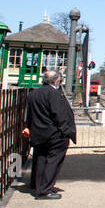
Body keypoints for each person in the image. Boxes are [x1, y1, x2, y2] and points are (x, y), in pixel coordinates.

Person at [21, 69, 77, 199]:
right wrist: (67, 131)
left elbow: (29, 114)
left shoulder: (34, 94)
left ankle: (37, 184)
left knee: (40, 159)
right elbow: (60, 115)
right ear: (57, 80)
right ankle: (45, 190)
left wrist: (29, 127)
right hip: (54, 134)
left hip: (38, 133)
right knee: (53, 161)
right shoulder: (54, 94)